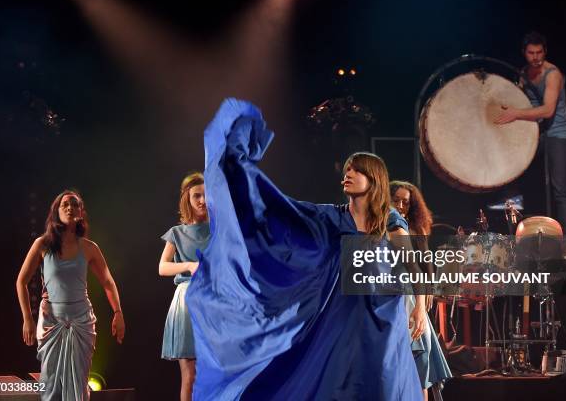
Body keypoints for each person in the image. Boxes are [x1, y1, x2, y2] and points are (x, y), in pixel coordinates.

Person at [185, 98, 422, 400]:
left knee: (384, 380)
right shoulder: (332, 217)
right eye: (346, 170)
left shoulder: (390, 219)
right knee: (340, 383)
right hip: (343, 315)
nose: (347, 175)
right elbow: (282, 210)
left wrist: (421, 311)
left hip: (385, 314)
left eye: (356, 171)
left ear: (373, 178)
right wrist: (240, 173)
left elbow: (416, 264)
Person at [16, 190, 125, 401]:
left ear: (81, 213)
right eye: (65, 204)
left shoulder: (89, 248)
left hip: (81, 320)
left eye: (75, 205)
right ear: (56, 211)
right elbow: (21, 281)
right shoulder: (42, 244)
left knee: (79, 383)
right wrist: (27, 318)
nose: (70, 208)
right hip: (51, 322)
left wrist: (118, 312)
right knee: (51, 384)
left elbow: (108, 283)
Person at [495, 31, 566, 234]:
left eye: (539, 52)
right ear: (524, 53)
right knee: (511, 174)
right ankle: (516, 230)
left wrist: (515, 114)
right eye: (531, 53)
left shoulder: (553, 74)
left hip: (557, 133)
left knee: (560, 190)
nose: (536, 57)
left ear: (545, 52)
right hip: (536, 134)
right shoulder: (524, 73)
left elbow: (548, 110)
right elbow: (520, 101)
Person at [390, 180, 452, 401]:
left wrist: (426, 293)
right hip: (391, 293)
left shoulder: (415, 229)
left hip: (409, 293)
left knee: (419, 365)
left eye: (405, 202)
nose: (400, 205)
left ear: (412, 206)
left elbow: (424, 264)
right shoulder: (385, 223)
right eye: (396, 200)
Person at [158, 173, 210, 401]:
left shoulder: (221, 229)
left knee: (217, 372)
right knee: (190, 374)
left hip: (217, 300)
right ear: (187, 200)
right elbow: (162, 267)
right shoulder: (177, 233)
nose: (202, 200)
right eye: (197, 196)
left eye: (206, 195)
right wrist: (188, 265)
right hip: (188, 301)